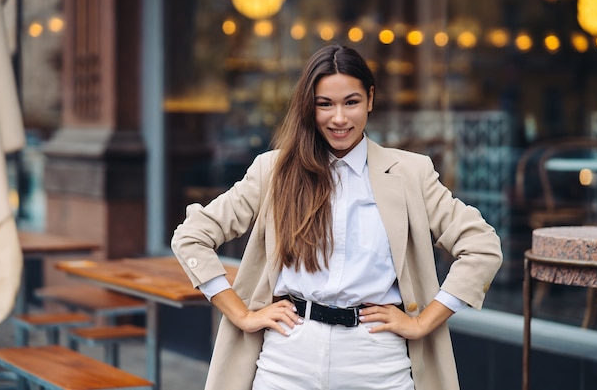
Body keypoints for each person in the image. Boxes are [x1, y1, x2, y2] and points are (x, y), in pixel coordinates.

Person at [171, 44, 503, 390]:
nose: (339, 118)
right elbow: (191, 237)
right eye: (325, 104)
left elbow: (482, 247)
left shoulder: (410, 173)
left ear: (370, 99)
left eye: (351, 102)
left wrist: (423, 322)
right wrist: (241, 314)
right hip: (287, 358)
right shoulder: (275, 170)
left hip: (377, 360)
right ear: (309, 107)